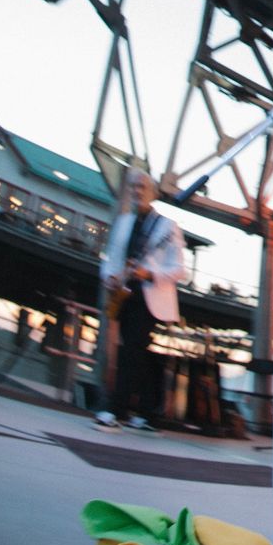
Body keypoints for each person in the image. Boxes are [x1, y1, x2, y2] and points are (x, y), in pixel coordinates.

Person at [94, 169, 187, 430]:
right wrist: (109, 277)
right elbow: (112, 256)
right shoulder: (124, 221)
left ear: (153, 192)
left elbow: (179, 269)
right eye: (133, 186)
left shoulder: (167, 226)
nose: (137, 191)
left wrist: (150, 273)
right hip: (125, 292)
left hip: (149, 295)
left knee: (130, 351)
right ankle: (148, 412)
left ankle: (115, 410)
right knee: (137, 351)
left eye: (142, 187)